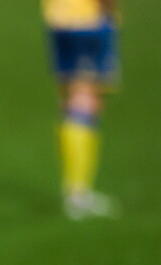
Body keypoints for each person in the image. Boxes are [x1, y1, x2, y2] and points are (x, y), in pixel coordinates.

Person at [42, 0, 121, 219]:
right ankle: (77, 193)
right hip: (88, 21)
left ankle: (77, 190)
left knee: (73, 99)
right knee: (85, 100)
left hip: (60, 19)